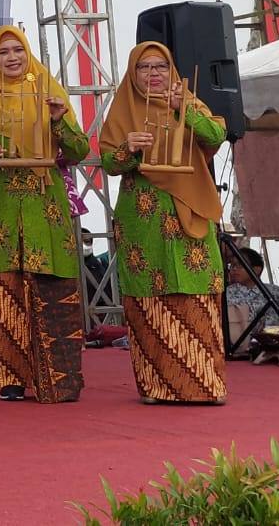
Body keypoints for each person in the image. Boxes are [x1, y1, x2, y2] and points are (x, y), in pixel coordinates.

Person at [0, 24, 87, 403]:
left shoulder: (50, 96)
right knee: (5, 295)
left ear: (28, 54)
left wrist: (59, 119)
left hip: (45, 211)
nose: (12, 58)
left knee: (53, 292)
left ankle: (58, 379)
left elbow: (77, 152)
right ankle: (9, 377)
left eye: (18, 50)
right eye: (3, 52)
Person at [99, 41, 228, 403]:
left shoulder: (187, 100)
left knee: (196, 291)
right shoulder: (123, 108)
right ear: (133, 73)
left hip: (189, 211)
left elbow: (217, 136)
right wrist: (128, 148)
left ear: (171, 70)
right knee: (149, 298)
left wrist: (184, 109)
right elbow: (108, 163)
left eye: (160, 67)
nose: (153, 74)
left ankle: (206, 386)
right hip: (143, 218)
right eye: (144, 67)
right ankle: (157, 386)